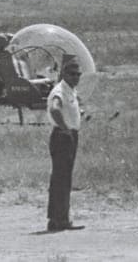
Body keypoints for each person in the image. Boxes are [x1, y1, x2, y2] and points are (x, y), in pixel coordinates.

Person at [46, 55, 85, 232]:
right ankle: (59, 220)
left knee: (63, 178)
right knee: (61, 179)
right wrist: (65, 128)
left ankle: (59, 218)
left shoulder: (70, 90)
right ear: (64, 74)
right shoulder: (60, 91)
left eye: (78, 74)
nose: (76, 77)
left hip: (68, 135)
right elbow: (55, 109)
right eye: (72, 74)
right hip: (63, 137)